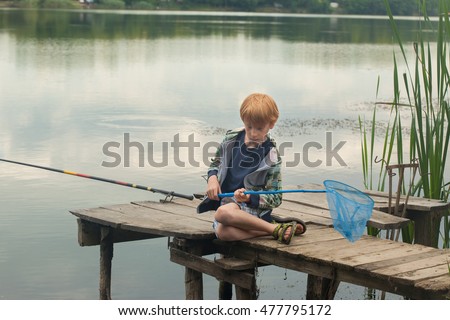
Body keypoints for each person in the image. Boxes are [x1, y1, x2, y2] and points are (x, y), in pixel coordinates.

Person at [197, 93, 306, 244]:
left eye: (259, 128)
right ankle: (274, 229)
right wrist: (212, 179)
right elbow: (215, 164)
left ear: (271, 124)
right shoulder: (231, 139)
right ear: (243, 120)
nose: (253, 133)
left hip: (251, 208)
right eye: (249, 127)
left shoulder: (271, 156)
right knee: (223, 232)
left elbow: (276, 198)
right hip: (227, 205)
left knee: (221, 214)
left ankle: (269, 227)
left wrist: (250, 197)